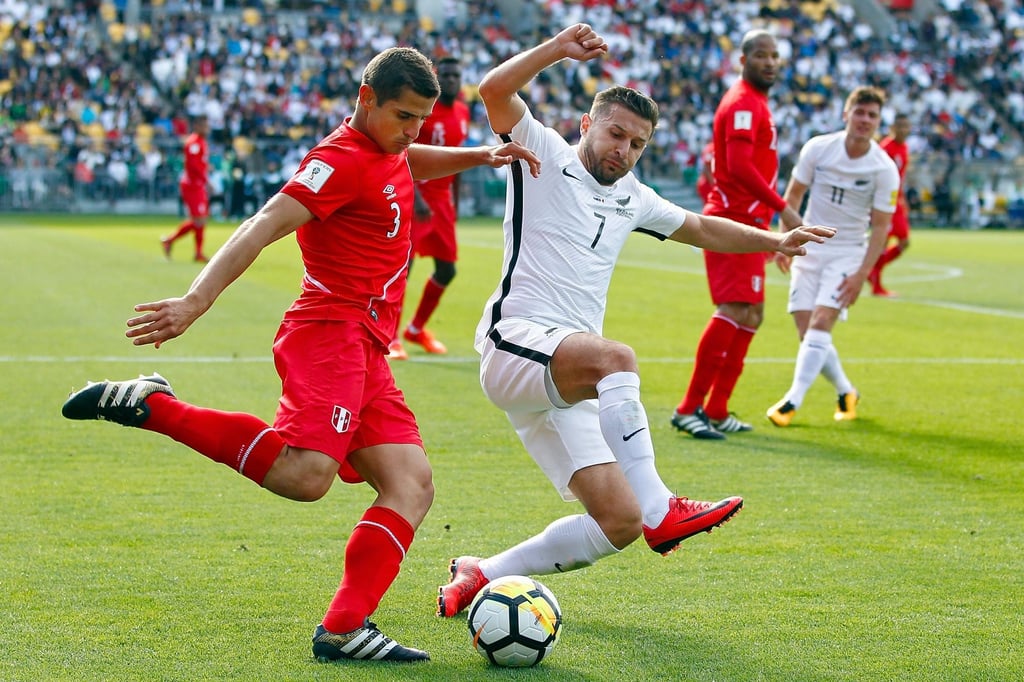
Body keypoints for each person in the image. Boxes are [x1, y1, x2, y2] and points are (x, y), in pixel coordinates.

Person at [61, 47, 540, 664]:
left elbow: (405, 163)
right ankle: (155, 407)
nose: (412, 131)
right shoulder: (337, 160)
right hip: (329, 331)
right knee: (305, 476)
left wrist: (480, 154)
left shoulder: (389, 147)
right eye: (402, 116)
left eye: (421, 118)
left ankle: (344, 629)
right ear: (365, 100)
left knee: (410, 483)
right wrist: (194, 301)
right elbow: (263, 222)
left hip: (367, 346)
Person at [435, 24, 834, 619]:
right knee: (615, 357)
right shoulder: (542, 153)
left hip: (562, 379)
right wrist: (554, 50)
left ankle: (481, 573)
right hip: (513, 344)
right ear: (586, 126)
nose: (623, 149)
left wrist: (776, 237)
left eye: (637, 143)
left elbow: (700, 227)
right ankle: (663, 507)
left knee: (616, 522)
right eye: (615, 132)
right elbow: (493, 90)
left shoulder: (634, 197)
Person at [670, 30, 805, 441]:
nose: (769, 62)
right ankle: (688, 408)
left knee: (752, 313)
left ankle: (716, 407)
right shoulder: (743, 103)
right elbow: (741, 166)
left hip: (750, 221)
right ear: (743, 59)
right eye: (761, 55)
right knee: (733, 307)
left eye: (775, 56)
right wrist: (784, 210)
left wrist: (769, 232)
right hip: (731, 220)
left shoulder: (755, 102)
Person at [766, 86, 900, 427]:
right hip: (809, 245)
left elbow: (882, 228)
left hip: (848, 254)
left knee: (821, 323)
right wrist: (785, 240)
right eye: (859, 112)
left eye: (872, 115)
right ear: (846, 114)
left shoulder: (884, 169)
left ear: (879, 122)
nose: (865, 120)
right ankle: (846, 390)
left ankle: (790, 402)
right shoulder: (818, 148)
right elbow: (792, 196)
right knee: (806, 332)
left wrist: (862, 276)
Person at [388, 56, 471, 360]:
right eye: (446, 75)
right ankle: (391, 337)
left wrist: (456, 202)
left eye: (456, 75)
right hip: (414, 197)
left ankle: (415, 328)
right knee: (402, 269)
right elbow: (402, 151)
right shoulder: (423, 110)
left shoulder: (462, 111)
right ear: (436, 77)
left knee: (447, 269)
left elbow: (458, 159)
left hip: (443, 201)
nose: (451, 80)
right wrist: (418, 198)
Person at [868, 112, 912, 297]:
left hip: (897, 202)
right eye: (900, 126)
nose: (903, 130)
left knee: (904, 242)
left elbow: (900, 178)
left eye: (906, 126)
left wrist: (904, 200)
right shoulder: (885, 148)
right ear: (892, 128)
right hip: (885, 201)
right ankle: (877, 286)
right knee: (882, 242)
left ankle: (871, 270)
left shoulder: (904, 148)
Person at [162, 115, 212, 262]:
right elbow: (194, 166)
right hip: (192, 185)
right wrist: (206, 180)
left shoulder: (200, 142)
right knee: (199, 219)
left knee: (200, 219)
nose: (207, 129)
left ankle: (171, 241)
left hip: (197, 185)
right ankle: (196, 252)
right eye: (204, 126)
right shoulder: (193, 143)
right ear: (197, 126)